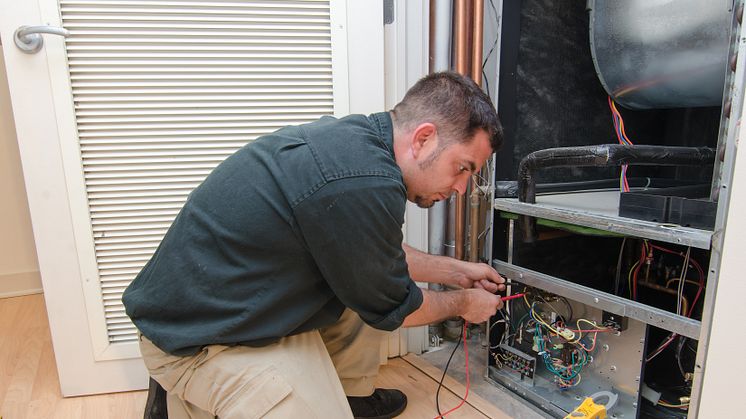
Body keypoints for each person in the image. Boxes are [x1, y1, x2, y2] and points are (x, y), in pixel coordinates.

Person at [123, 71, 506, 419]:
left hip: (224, 303)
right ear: (423, 139)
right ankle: (180, 397)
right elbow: (398, 308)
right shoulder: (364, 183)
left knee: (366, 285)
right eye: (463, 168)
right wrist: (463, 304)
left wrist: (458, 272)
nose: (460, 188)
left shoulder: (359, 143)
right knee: (378, 305)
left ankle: (349, 395)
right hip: (195, 340)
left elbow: (371, 254)